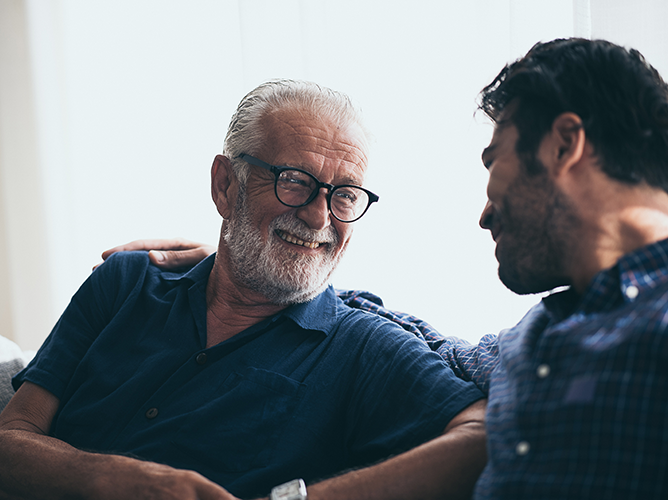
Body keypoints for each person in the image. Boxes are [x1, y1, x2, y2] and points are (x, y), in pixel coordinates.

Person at [114, 38, 668, 499]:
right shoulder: (537, 338)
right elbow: (426, 347)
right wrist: (242, 259)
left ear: (565, 146)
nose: (485, 213)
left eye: (493, 161)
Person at [0, 80, 486, 500]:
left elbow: (483, 439)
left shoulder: (363, 347)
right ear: (225, 185)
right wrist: (134, 483)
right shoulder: (125, 283)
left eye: (345, 195)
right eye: (294, 181)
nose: (319, 215)